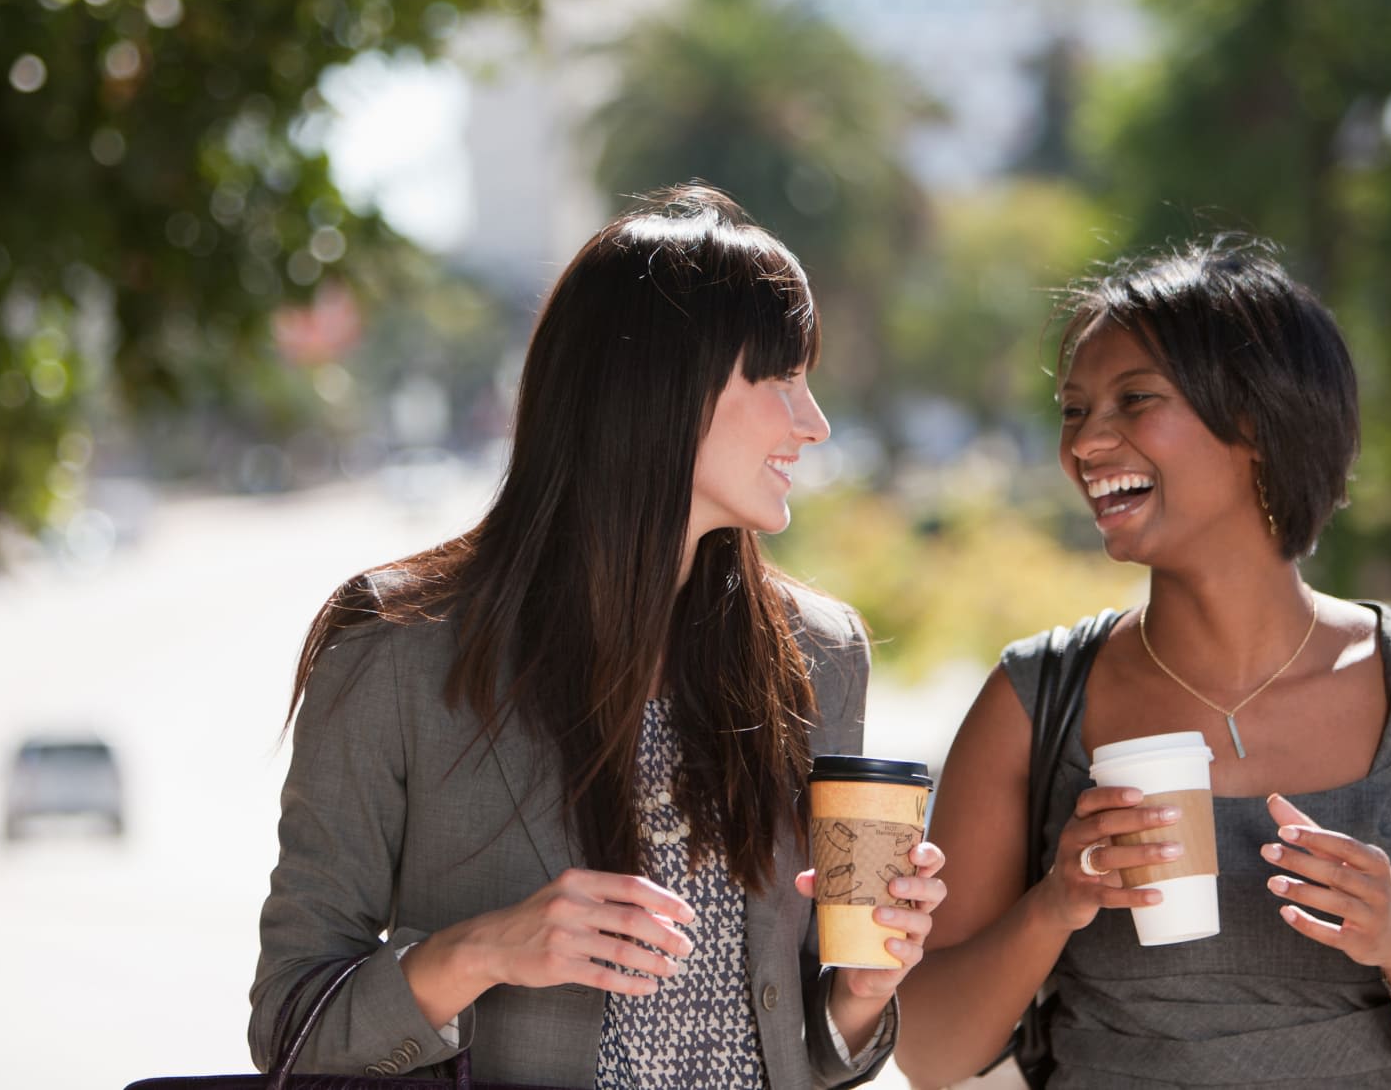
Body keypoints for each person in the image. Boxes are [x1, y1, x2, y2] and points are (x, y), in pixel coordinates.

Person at [251, 185, 947, 1089]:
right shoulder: (395, 648)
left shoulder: (820, 655)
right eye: (778, 378)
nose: (813, 423)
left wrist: (863, 990)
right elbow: (289, 1023)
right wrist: (480, 950)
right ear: (659, 388)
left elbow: (800, 1041)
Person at [895, 238, 1391, 1089]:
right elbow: (928, 1055)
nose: (1087, 442)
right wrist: (1056, 903)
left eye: (1135, 400)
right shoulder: (1034, 698)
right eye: (1075, 410)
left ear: (1258, 426)